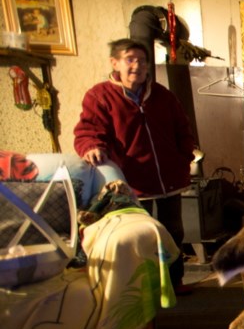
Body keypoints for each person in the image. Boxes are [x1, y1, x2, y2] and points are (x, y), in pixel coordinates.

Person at [74, 38, 197, 293]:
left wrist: (185, 154)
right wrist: (91, 147)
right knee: (137, 236)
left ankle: (174, 281)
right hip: (132, 182)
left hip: (169, 179)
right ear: (115, 63)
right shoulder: (100, 96)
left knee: (173, 232)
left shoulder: (162, 95)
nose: (137, 66)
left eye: (142, 60)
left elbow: (182, 127)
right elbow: (87, 131)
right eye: (130, 59)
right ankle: (144, 286)